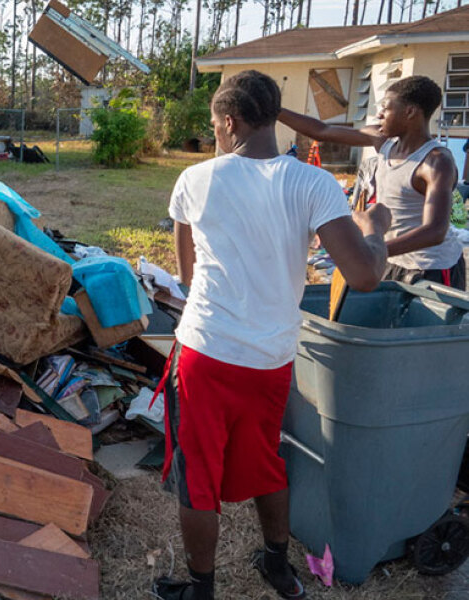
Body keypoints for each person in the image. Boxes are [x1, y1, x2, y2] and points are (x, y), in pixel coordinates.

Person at [154, 70, 391, 600]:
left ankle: (201, 588)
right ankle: (277, 565)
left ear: (230, 121)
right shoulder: (312, 183)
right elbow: (364, 274)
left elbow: (188, 276)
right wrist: (375, 231)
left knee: (199, 475)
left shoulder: (195, 180)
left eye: (215, 124)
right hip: (271, 358)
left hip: (206, 353)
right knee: (266, 459)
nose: (214, 133)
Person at [279, 75, 465, 289]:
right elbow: (321, 131)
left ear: (410, 112)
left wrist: (374, 249)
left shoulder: (435, 162)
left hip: (432, 268)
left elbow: (435, 231)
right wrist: (275, 111)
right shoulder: (383, 141)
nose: (379, 115)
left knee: (421, 323)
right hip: (390, 258)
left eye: (386, 109)